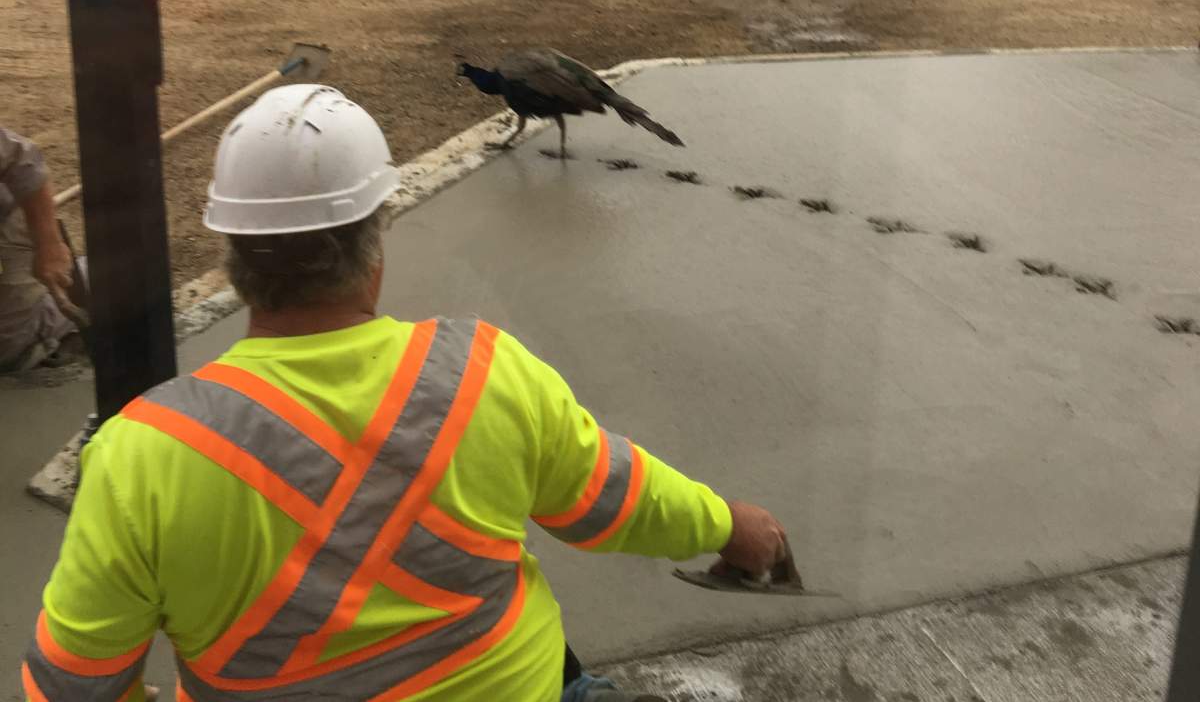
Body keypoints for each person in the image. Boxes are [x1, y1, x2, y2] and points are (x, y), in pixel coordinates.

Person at [22, 85, 791, 702]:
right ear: (375, 238)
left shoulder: (141, 454)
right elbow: (609, 499)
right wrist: (730, 525)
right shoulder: (484, 371)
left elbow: (68, 681)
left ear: (232, 258)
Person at [0, 127, 81, 373]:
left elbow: (24, 161)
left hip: (6, 221)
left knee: (8, 351)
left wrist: (49, 245)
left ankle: (87, 282)